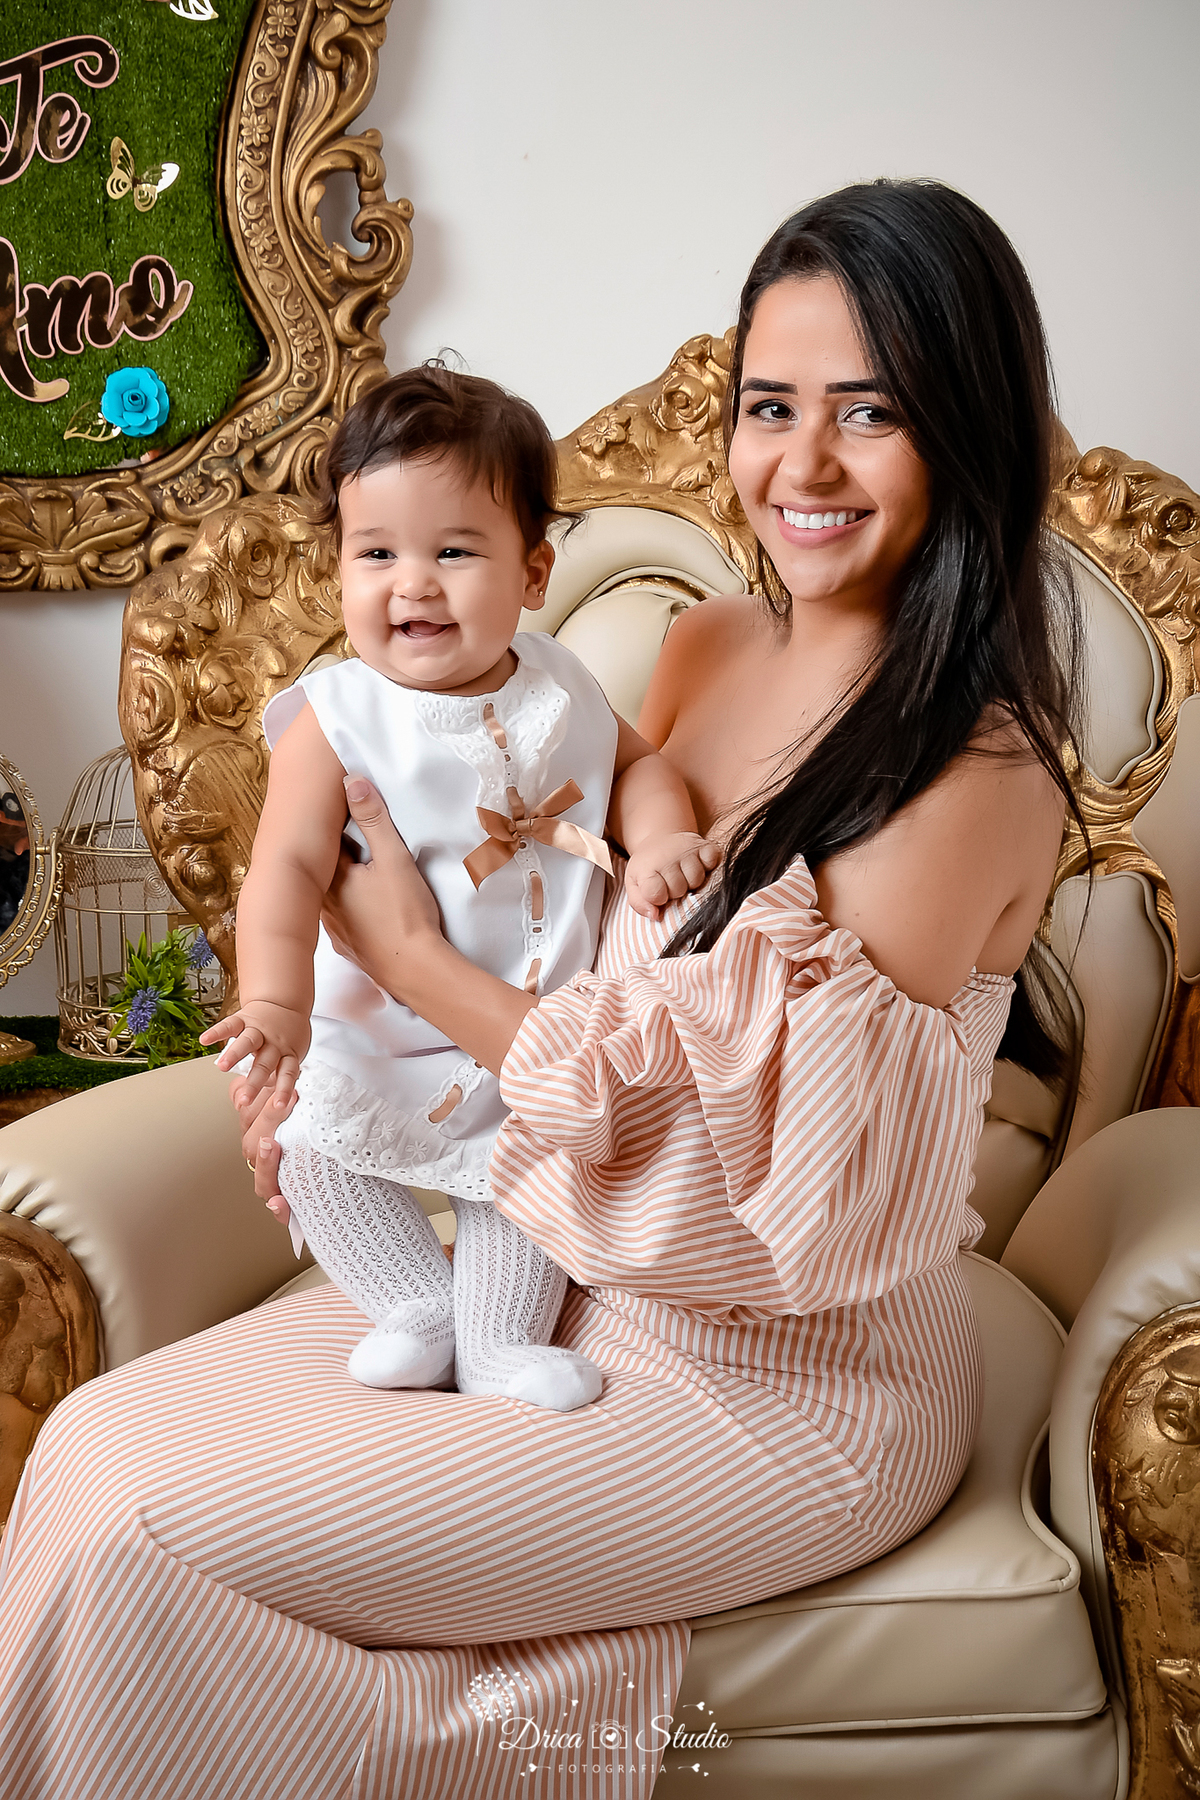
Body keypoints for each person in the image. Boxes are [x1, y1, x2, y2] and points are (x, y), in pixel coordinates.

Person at [0, 179, 1079, 1800]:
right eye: (769, 406)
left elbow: (722, 1181)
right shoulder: (709, 646)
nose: (802, 465)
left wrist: (406, 958)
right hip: (559, 1278)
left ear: (969, 431)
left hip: (781, 1370)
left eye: (874, 415)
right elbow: (573, 926)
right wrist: (320, 1061)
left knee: (160, 1524)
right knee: (86, 1448)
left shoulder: (974, 769)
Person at [200, 367, 718, 1409]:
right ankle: (411, 1306)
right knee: (314, 1147)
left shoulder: (564, 681)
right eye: (377, 553)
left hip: (525, 1033)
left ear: (533, 572)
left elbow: (645, 766)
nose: (413, 583)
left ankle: (496, 1341)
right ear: (339, 567)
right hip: (371, 1037)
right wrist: (276, 1006)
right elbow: (287, 871)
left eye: (454, 551)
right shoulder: (335, 717)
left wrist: (661, 840)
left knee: (525, 1178)